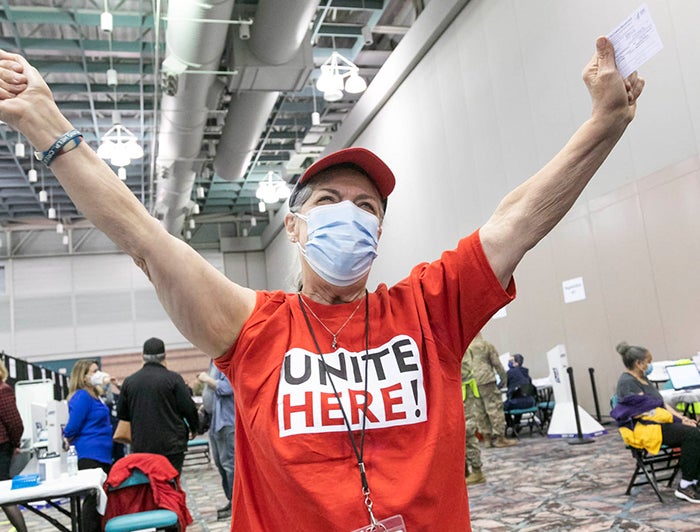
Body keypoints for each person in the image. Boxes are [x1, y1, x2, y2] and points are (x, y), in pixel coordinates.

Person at [0, 36, 645, 530]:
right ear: (296, 226)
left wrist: (604, 124)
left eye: (368, 208)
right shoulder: (253, 327)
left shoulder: (428, 309)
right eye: (332, 200)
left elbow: (517, 220)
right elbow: (148, 241)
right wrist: (50, 127)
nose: (352, 215)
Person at [612, 342, 700, 504]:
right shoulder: (627, 383)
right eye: (648, 361)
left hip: (659, 423)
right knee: (693, 434)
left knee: (695, 429)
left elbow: (660, 403)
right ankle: (685, 485)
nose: (650, 365)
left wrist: (682, 418)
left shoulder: (643, 378)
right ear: (638, 363)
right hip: (645, 427)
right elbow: (642, 412)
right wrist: (675, 420)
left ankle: (695, 479)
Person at [117, 338, 199, 473]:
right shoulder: (174, 379)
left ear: (142, 357)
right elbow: (188, 408)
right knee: (171, 484)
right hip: (172, 444)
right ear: (164, 356)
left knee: (149, 484)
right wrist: (195, 428)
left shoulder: (130, 382)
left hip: (143, 445)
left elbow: (122, 413)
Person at [63, 359, 113, 532]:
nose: (97, 374)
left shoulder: (95, 395)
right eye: (93, 371)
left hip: (101, 453)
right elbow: (72, 426)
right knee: (92, 502)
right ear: (83, 377)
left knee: (99, 501)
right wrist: (66, 437)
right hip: (89, 454)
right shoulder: (82, 396)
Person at [462, 333, 516, 448]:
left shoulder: (466, 347)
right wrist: (503, 378)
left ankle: (486, 438)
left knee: (479, 410)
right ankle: (499, 438)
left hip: (472, 382)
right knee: (494, 408)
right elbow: (497, 363)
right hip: (487, 379)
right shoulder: (486, 345)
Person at [198, 362, 235, 520]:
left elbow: (227, 388)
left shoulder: (227, 360)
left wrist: (207, 380)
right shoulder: (214, 361)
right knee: (220, 464)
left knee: (229, 465)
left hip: (227, 421)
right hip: (215, 421)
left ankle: (236, 503)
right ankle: (230, 500)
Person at [0, 360, 28, 532]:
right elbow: (14, 423)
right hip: (2, 446)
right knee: (3, 493)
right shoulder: (3, 390)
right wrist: (16, 443)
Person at [503, 353, 537, 431]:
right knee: (519, 398)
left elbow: (503, 383)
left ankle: (511, 424)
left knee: (501, 406)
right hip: (530, 402)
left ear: (517, 363)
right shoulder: (526, 372)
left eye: (511, 361)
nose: (509, 363)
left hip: (517, 403)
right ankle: (516, 424)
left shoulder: (510, 373)